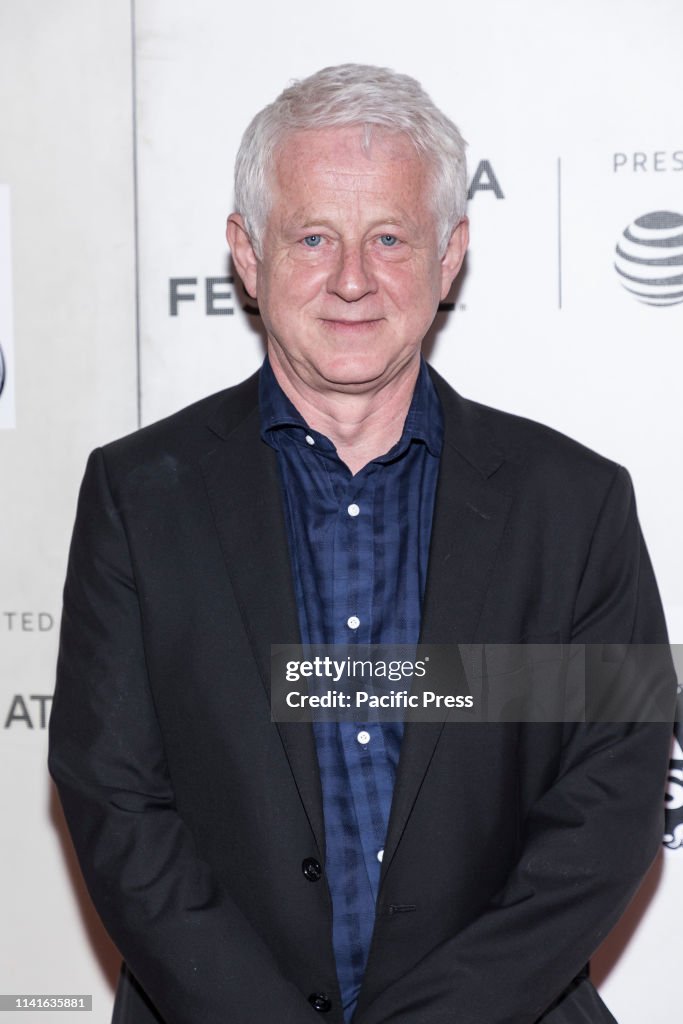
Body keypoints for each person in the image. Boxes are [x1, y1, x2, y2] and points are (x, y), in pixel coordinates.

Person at [48, 64, 672, 1024]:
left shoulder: (575, 504)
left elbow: (614, 794)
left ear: (448, 254)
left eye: (389, 237)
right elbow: (114, 800)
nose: (351, 278)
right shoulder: (139, 496)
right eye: (311, 238)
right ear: (246, 256)